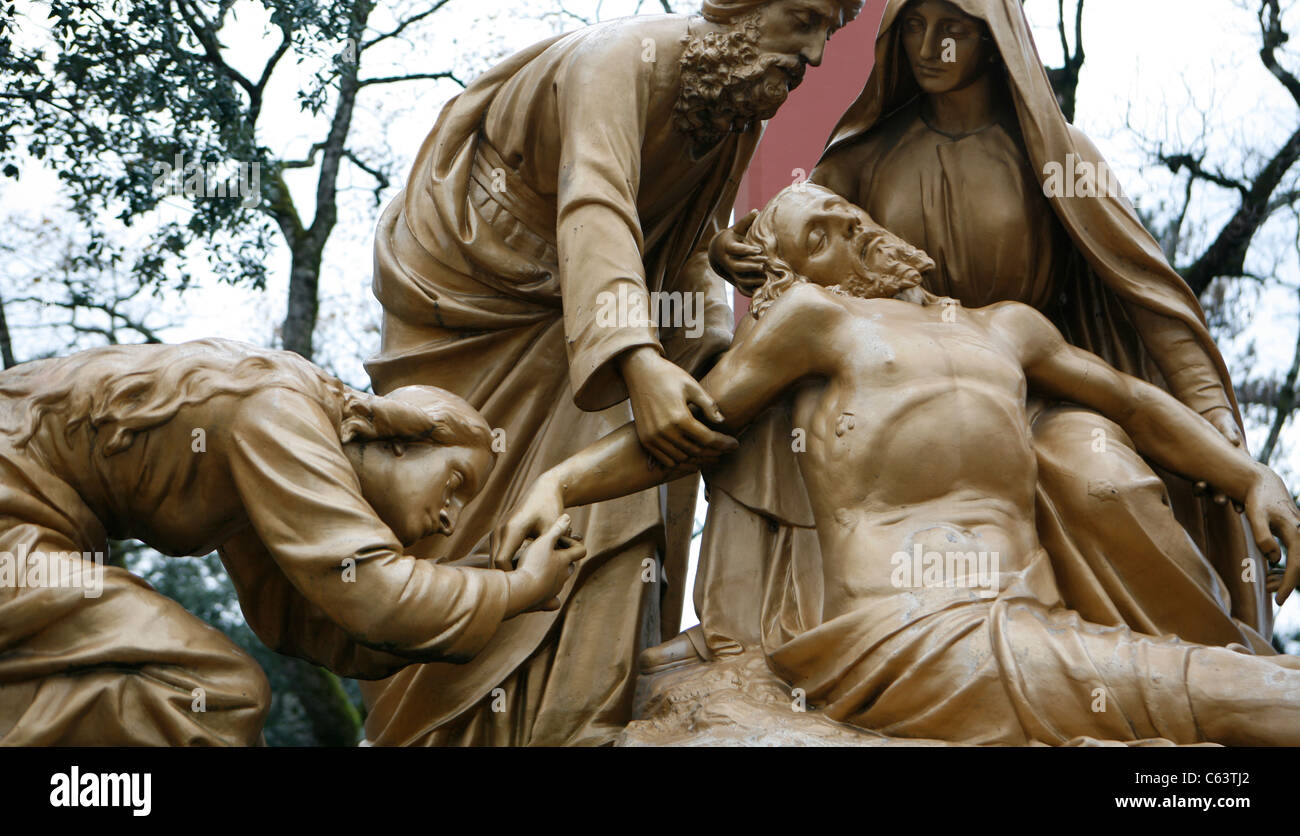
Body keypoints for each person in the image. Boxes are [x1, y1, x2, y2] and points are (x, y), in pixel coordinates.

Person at [499, 185, 1300, 745]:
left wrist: (1247, 475)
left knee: (1222, 695)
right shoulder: (817, 324)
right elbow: (685, 428)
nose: (848, 227)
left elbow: (1131, 401)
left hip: (1037, 625)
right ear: (788, 275)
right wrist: (559, 483)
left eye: (847, 213)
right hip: (914, 638)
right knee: (1240, 694)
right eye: (818, 232)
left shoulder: (1007, 328)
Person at [695, 0, 1269, 668]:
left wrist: (1223, 440)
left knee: (1109, 487)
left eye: (954, 29)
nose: (930, 48)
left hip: (1034, 382)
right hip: (894, 390)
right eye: (912, 27)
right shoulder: (869, 153)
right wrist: (726, 250)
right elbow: (790, 232)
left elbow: (1150, 300)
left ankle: (1221, 678)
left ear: (994, 40)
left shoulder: (1057, 157)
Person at [360, 0, 867, 746]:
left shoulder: (732, 107)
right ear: (740, 8)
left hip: (595, 309)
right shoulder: (617, 59)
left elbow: (672, 230)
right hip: (485, 298)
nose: (810, 53)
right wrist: (637, 363)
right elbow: (596, 206)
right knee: (468, 501)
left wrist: (714, 250)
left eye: (826, 36)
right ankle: (448, 722)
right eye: (802, 20)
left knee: (629, 493)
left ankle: (579, 721)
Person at [0, 339, 582, 745]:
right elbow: (381, 599)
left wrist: (490, 577)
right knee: (209, 694)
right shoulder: (281, 410)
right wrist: (518, 587)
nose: (451, 521)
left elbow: (318, 625)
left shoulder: (276, 455)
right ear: (405, 440)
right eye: (455, 485)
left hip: (34, 523)